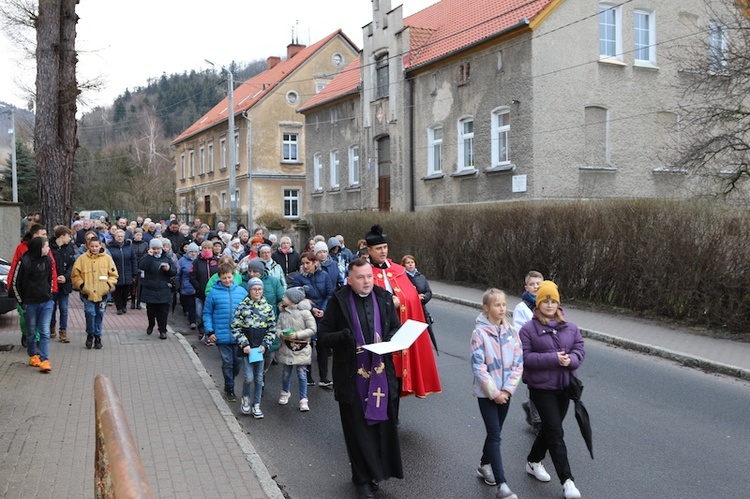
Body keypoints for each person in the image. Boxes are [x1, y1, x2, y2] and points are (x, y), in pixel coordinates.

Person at [318, 259, 403, 499]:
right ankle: (362, 480)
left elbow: (394, 329)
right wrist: (341, 337)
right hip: (351, 377)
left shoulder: (384, 298)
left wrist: (395, 340)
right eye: (361, 277)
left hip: (381, 377)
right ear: (350, 280)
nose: (367, 281)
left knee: (380, 428)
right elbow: (322, 337)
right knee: (357, 431)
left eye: (369, 276)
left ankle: (376, 472)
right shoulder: (339, 300)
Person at [519, 281, 585, 499]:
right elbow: (525, 358)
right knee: (556, 432)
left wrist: (571, 360)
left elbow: (579, 350)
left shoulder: (571, 327)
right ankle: (568, 481)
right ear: (538, 303)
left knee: (550, 430)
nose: (549, 304)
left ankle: (533, 461)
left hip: (564, 387)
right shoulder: (528, 329)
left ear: (558, 303)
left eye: (553, 300)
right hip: (541, 388)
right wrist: (553, 358)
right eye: (545, 300)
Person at [365, 224, 441, 398]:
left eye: (385, 247)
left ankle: (393, 415)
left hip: (399, 328)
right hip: (378, 330)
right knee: (379, 376)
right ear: (369, 250)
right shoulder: (365, 272)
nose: (383, 251)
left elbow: (412, 297)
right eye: (378, 248)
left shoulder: (398, 271)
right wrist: (390, 305)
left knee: (396, 379)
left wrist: (402, 301)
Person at [471, 289, 523, 499]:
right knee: (495, 434)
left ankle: (484, 465)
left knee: (496, 432)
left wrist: (507, 390)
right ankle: (502, 485)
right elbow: (478, 366)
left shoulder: (512, 331)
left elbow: (519, 363)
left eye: (504, 304)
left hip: (506, 392)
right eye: (497, 305)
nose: (502, 308)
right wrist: (494, 393)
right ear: (486, 308)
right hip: (487, 395)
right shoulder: (479, 334)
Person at [230, 277, 276, 418]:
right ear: (249, 290)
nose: (257, 292)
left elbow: (272, 329)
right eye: (254, 289)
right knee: (248, 377)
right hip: (247, 348)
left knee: (259, 378)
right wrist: (244, 344)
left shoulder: (268, 308)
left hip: (260, 349)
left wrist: (265, 344)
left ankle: (257, 405)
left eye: (259, 289)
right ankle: (245, 397)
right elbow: (235, 327)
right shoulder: (243, 306)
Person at [204, 262, 249, 403]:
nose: (227, 280)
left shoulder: (242, 292)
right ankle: (229, 387)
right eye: (224, 278)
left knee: (237, 362)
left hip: (239, 335)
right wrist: (210, 331)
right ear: (220, 277)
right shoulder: (213, 293)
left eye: (229, 277)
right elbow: (207, 313)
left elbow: (249, 312)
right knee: (227, 362)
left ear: (233, 276)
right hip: (221, 334)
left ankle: (231, 378)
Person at [12, 236, 57, 372]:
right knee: (31, 332)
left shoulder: (48, 260)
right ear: (39, 248)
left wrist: (49, 293)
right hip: (30, 303)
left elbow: (50, 278)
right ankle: (33, 354)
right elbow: (16, 283)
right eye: (46, 246)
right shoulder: (24, 261)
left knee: (44, 331)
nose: (48, 248)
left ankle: (45, 359)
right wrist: (21, 301)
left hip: (46, 301)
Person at [292, 251, 334, 387]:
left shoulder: (324, 275)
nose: (305, 266)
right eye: (303, 263)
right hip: (307, 315)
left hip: (323, 314)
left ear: (314, 263)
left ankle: (324, 377)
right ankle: (308, 376)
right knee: (308, 345)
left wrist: (323, 309)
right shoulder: (299, 278)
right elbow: (298, 297)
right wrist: (311, 309)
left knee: (322, 345)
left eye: (308, 263)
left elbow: (329, 294)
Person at [71, 237, 118, 349]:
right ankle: (90, 334)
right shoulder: (82, 259)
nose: (94, 248)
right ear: (88, 246)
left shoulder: (107, 259)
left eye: (96, 246)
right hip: (88, 293)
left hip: (103, 293)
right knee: (90, 313)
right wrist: (81, 285)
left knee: (99, 314)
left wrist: (109, 285)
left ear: (100, 246)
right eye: (92, 246)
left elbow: (113, 274)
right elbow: (75, 275)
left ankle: (98, 336)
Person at [512, 270, 545, 434]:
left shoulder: (546, 303)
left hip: (546, 353)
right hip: (530, 352)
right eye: (532, 284)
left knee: (544, 385)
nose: (535, 287)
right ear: (526, 287)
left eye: (538, 284)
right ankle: (537, 421)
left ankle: (530, 406)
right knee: (535, 385)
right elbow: (520, 331)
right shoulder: (522, 308)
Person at [275, 286, 316, 411]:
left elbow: (312, 329)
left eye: (286, 297)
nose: (283, 298)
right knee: (286, 373)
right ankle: (285, 392)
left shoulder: (305, 313)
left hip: (301, 348)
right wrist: (281, 334)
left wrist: (297, 335)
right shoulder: (283, 313)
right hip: (287, 347)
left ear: (293, 299)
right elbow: (277, 328)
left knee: (302, 374)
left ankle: (303, 399)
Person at [139, 238, 177, 340]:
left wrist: (168, 269)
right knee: (151, 311)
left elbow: (174, 271)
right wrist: (149, 256)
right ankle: (151, 324)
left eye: (158, 248)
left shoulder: (167, 258)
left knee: (163, 312)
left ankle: (163, 330)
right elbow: (142, 266)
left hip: (163, 289)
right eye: (154, 248)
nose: (156, 251)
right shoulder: (147, 257)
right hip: (150, 288)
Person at [401, 254, 437, 351]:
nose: (410, 265)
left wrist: (424, 297)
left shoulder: (421, 277)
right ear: (403, 265)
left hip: (422, 309)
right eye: (407, 263)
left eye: (412, 262)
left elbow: (428, 292)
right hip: (409, 311)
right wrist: (414, 297)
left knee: (423, 335)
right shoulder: (401, 278)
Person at [49, 225, 76, 343]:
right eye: (68, 236)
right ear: (62, 236)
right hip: (52, 284)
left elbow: (72, 265)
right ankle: (51, 328)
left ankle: (63, 331)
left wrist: (66, 277)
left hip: (65, 283)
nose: (70, 238)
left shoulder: (69, 248)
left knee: (64, 308)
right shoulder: (49, 247)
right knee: (52, 308)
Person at [190, 240, 220, 340]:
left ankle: (210, 333)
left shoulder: (216, 261)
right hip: (200, 294)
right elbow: (192, 276)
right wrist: (198, 287)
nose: (207, 250)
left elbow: (220, 275)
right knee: (199, 313)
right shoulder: (196, 262)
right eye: (205, 248)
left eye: (209, 248)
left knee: (211, 314)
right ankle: (201, 329)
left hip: (213, 293)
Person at [107, 229, 138, 315]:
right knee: (116, 291)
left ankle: (124, 305)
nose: (120, 238)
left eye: (121, 236)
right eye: (118, 236)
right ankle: (119, 307)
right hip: (116, 272)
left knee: (126, 292)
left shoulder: (129, 247)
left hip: (127, 272)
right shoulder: (110, 247)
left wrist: (134, 272)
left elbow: (133, 260)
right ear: (115, 237)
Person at [178, 242, 200, 329]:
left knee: (197, 305)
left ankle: (197, 320)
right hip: (187, 286)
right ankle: (192, 321)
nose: (193, 254)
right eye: (191, 252)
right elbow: (179, 274)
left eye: (195, 252)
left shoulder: (199, 260)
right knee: (190, 305)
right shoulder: (182, 261)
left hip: (198, 286)